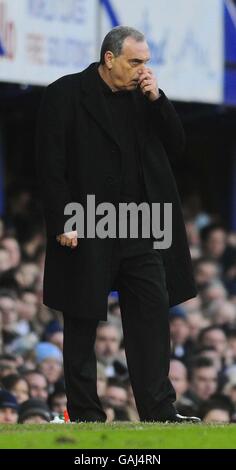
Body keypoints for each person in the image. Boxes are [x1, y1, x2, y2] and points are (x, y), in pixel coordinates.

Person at [35, 26, 199, 423]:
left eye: (147, 62)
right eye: (136, 62)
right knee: (81, 321)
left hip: (142, 224)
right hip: (86, 220)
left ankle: (160, 411)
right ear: (110, 59)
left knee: (151, 318)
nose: (144, 70)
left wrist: (158, 100)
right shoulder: (64, 93)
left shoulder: (148, 97)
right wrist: (61, 220)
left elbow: (178, 147)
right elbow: (49, 166)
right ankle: (87, 412)